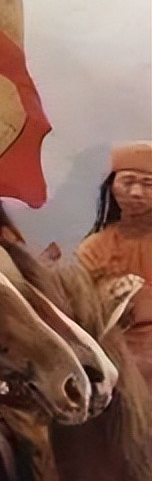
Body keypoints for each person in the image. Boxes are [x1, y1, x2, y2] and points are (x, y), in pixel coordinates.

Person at [76, 140, 152, 384]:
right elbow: (84, 308)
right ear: (112, 187)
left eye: (148, 184)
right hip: (114, 351)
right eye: (127, 182)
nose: (136, 193)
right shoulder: (94, 247)